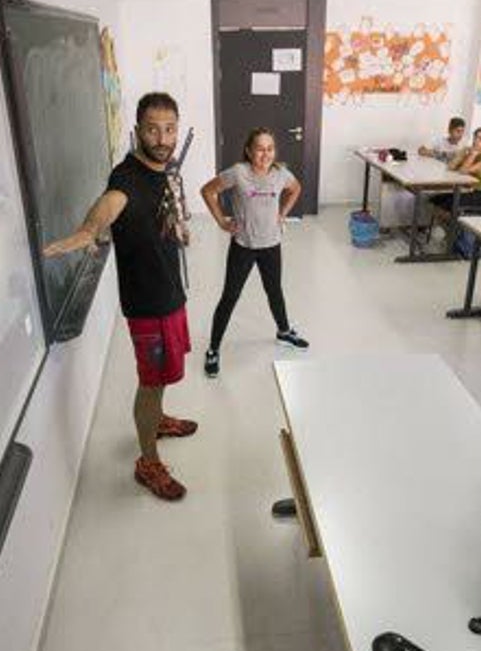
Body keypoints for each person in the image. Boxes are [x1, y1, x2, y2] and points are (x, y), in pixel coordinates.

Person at [43, 92, 196, 501]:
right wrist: (88, 229)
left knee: (164, 378)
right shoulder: (127, 177)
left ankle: (158, 419)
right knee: (150, 383)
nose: (162, 138)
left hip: (170, 294)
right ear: (137, 131)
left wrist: (179, 231)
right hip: (148, 306)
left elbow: (162, 217)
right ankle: (147, 461)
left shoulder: (166, 170)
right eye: (152, 129)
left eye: (169, 129)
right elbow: (110, 204)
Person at [201, 128, 307, 379]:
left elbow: (296, 188)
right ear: (249, 151)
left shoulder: (281, 174)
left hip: (271, 244)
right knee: (230, 296)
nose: (265, 153)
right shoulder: (238, 173)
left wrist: (282, 214)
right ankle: (213, 349)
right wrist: (221, 222)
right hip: (244, 246)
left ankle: (283, 332)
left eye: (270, 148)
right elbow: (207, 191)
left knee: (274, 291)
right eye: (260, 148)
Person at [431, 126, 481, 221]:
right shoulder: (472, 151)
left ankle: (452, 230)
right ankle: (448, 229)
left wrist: (473, 154)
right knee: (436, 199)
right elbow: (450, 167)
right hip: (468, 189)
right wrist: (462, 152)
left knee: (449, 204)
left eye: (480, 138)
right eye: (475, 137)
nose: (475, 141)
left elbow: (463, 171)